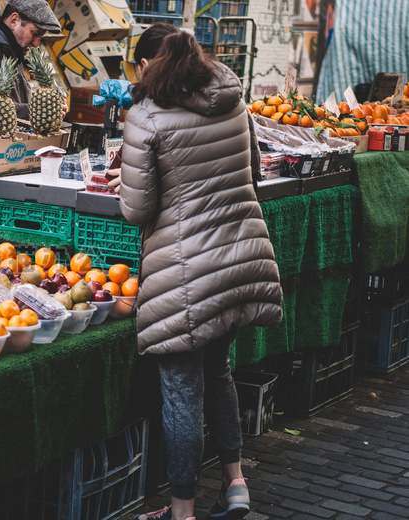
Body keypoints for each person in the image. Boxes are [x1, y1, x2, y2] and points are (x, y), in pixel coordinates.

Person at [117, 24, 284, 520]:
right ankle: (236, 485)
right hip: (239, 259)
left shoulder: (146, 117)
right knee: (219, 373)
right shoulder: (232, 98)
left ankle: (182, 511)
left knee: (182, 393)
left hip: (187, 274)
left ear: (149, 65)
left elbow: (136, 208)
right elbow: (253, 168)